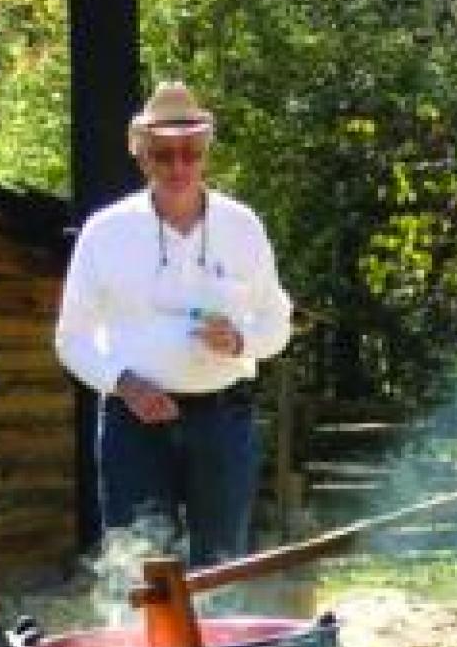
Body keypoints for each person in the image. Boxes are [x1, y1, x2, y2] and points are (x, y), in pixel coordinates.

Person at [56, 81, 292, 566]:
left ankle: (214, 643)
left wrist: (242, 340)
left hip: (224, 420)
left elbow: (277, 322)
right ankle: (143, 642)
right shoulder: (105, 231)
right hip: (134, 422)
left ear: (205, 152)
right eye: (164, 156)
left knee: (222, 566)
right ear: (142, 158)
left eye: (190, 153)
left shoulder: (243, 227)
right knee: (140, 569)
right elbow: (72, 338)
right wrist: (123, 384)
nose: (179, 167)